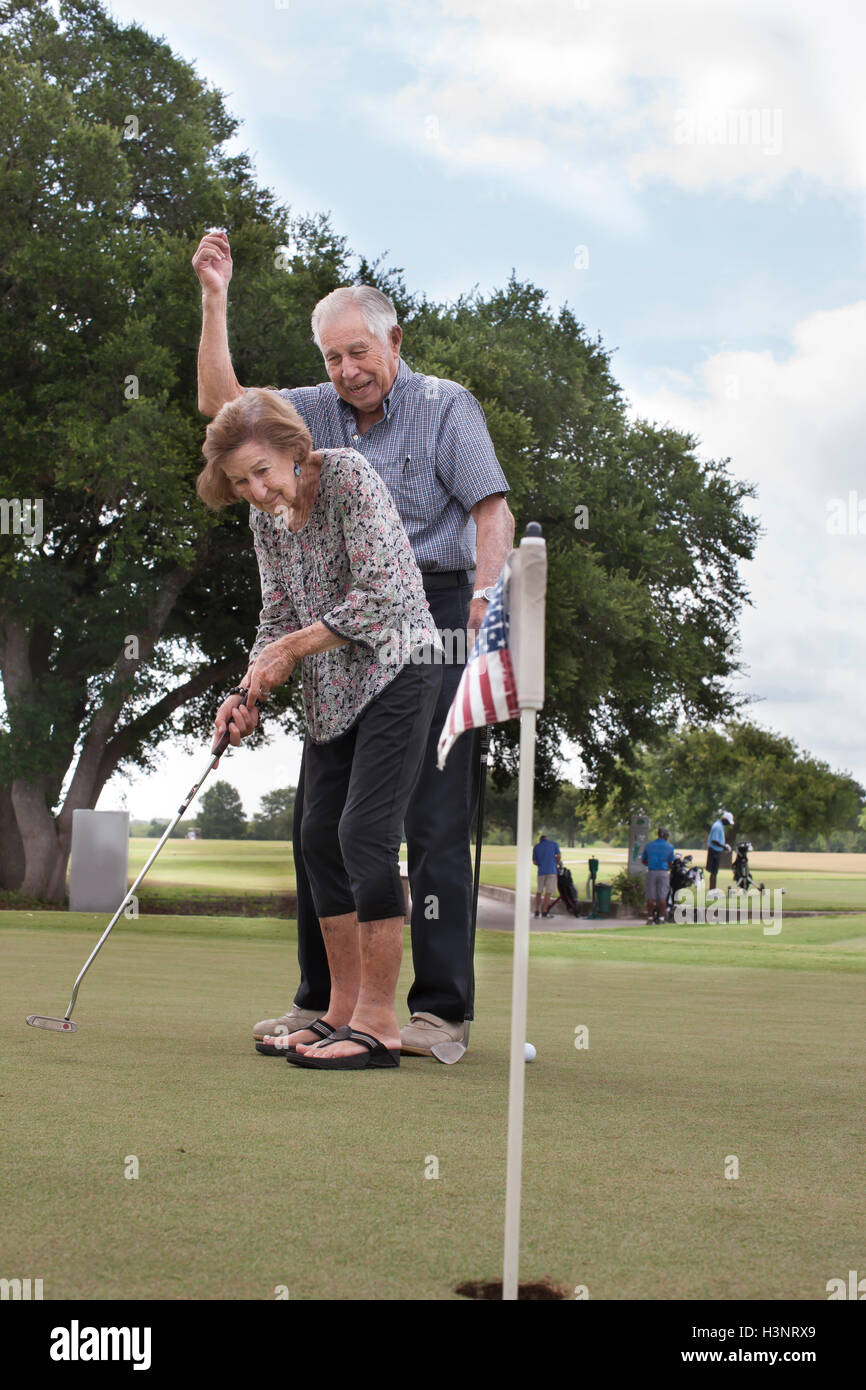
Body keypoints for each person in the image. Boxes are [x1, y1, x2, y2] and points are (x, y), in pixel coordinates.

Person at [193, 231, 514, 1057]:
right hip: (322, 629)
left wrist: (484, 602)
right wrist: (215, 298)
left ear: (393, 342)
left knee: (432, 818)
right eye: (331, 357)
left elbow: (489, 513)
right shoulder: (303, 431)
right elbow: (229, 414)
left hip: (431, 616)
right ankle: (327, 1002)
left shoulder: (447, 407)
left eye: (357, 353)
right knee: (323, 825)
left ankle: (434, 1012)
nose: (345, 371)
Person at [199, 389, 443, 1068]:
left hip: (399, 669)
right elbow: (276, 616)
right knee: (315, 835)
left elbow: (385, 594)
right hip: (331, 689)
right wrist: (249, 688)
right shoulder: (266, 522)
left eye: (262, 471)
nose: (256, 489)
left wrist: (289, 651)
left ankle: (379, 1025)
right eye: (241, 481)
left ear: (294, 450)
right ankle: (338, 1011)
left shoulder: (347, 478)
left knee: (363, 834)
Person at [640, 828, 675, 924]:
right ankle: (661, 918)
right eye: (667, 835)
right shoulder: (670, 847)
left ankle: (650, 918)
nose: (667, 837)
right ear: (663, 835)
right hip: (663, 873)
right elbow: (670, 862)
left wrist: (651, 863)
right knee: (662, 897)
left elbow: (643, 860)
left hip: (651, 872)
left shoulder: (649, 845)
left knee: (650, 897)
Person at [532, 834, 562, 918]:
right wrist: (555, 863)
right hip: (552, 871)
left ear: (540, 840)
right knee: (548, 892)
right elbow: (559, 856)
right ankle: (544, 911)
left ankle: (537, 910)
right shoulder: (554, 844)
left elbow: (534, 861)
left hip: (541, 872)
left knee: (539, 891)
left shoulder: (536, 847)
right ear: (547, 839)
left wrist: (541, 864)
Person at [706, 811, 734, 892]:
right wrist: (724, 846)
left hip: (716, 851)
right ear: (724, 819)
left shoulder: (719, 825)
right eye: (728, 822)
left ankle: (713, 890)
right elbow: (714, 840)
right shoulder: (717, 826)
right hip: (714, 851)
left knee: (714, 872)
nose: (728, 824)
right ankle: (711, 891)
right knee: (713, 872)